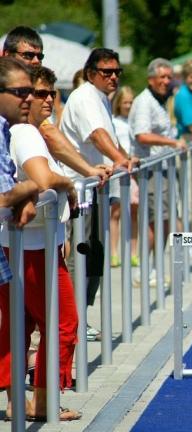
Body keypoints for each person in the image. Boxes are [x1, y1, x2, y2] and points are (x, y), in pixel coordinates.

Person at [0, 63, 81, 421]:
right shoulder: (25, 133)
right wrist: (64, 183)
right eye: (31, 92)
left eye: (50, 93)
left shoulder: (20, 131)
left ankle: (21, 401)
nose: (41, 99)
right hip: (30, 245)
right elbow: (42, 177)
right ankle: (42, 401)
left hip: (27, 242)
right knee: (62, 322)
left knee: (20, 324)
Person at [61, 47, 137, 342]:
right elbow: (96, 135)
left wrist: (124, 157)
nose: (114, 77)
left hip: (96, 189)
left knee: (94, 256)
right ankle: (66, 322)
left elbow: (110, 137)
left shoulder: (101, 99)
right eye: (107, 72)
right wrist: (121, 160)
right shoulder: (85, 97)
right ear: (91, 73)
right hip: (80, 190)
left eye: (118, 71)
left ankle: (76, 318)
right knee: (79, 257)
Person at [129, 58, 186, 284]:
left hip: (162, 168)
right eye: (162, 77)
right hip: (151, 169)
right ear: (151, 79)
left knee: (163, 220)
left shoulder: (160, 101)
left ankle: (153, 266)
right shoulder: (144, 102)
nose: (166, 81)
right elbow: (141, 134)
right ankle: (144, 269)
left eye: (169, 77)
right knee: (155, 221)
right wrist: (172, 143)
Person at [111, 86, 139, 268]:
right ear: (119, 104)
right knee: (116, 212)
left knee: (135, 210)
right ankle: (114, 252)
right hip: (121, 168)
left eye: (131, 102)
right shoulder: (114, 122)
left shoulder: (135, 122)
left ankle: (133, 252)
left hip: (135, 169)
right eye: (125, 102)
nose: (128, 106)